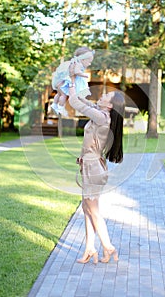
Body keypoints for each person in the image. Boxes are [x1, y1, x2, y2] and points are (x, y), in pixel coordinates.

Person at [68, 65, 125, 265]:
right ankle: (90, 248)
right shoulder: (99, 113)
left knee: (93, 210)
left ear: (110, 106)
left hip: (93, 168)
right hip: (90, 166)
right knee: (87, 208)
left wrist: (74, 79)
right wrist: (73, 81)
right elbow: (82, 101)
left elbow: (75, 102)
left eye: (106, 96)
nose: (101, 96)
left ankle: (108, 247)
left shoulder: (101, 117)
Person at [50, 47, 94, 116]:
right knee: (63, 96)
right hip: (64, 83)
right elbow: (76, 72)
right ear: (83, 59)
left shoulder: (72, 62)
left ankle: (54, 104)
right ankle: (60, 108)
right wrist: (84, 75)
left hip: (60, 82)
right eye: (89, 62)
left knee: (59, 94)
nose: (89, 64)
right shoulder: (78, 64)